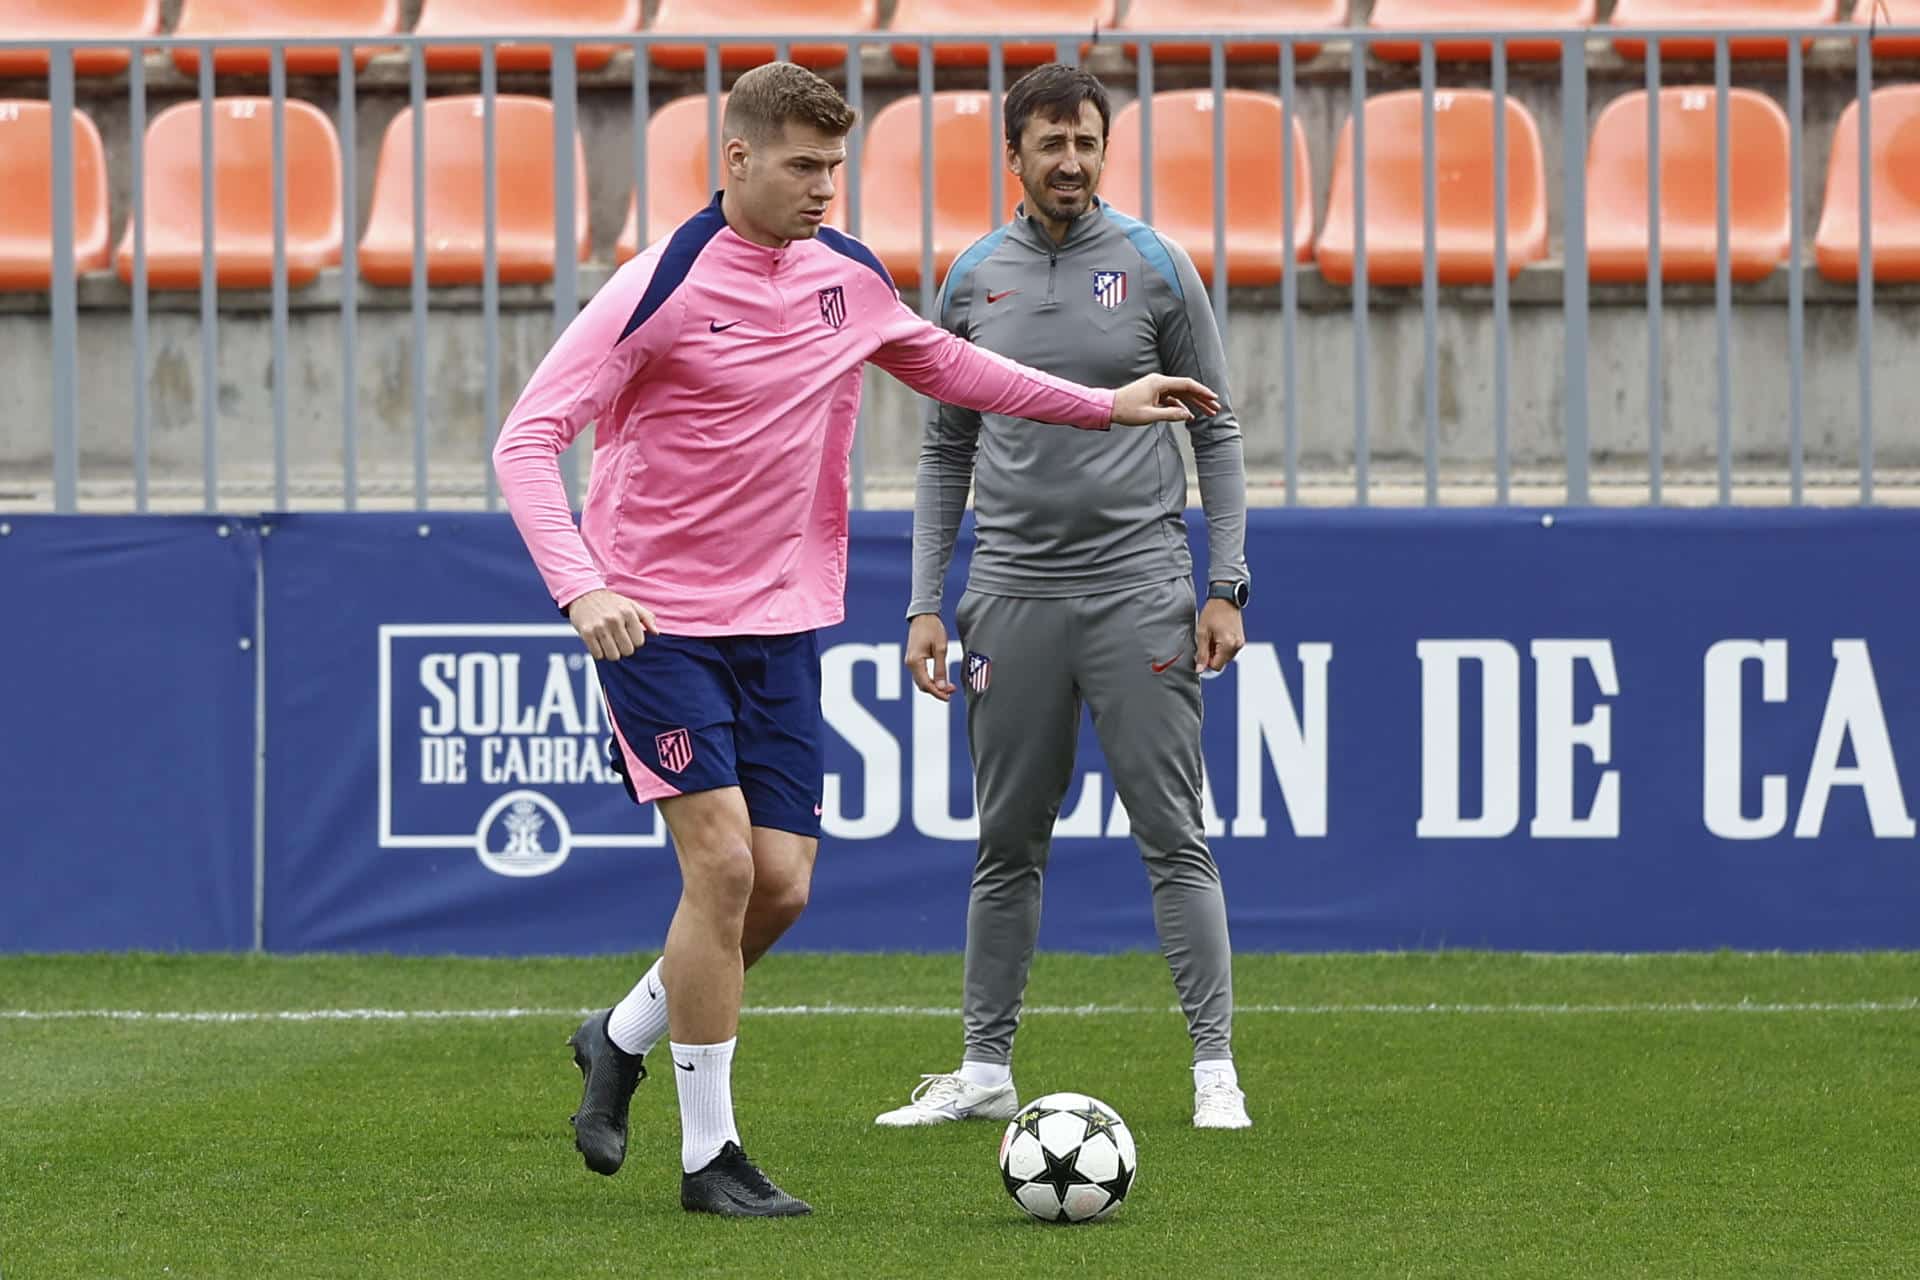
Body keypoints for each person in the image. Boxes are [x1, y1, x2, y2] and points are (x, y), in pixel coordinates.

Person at [491, 61, 1220, 1218]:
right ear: (735, 161)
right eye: (801, 166)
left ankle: (619, 1034)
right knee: (723, 865)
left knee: (776, 889)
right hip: (656, 620)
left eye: (836, 166)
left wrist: (1109, 401)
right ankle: (708, 1156)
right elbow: (526, 442)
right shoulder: (660, 284)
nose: (825, 188)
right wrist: (583, 591)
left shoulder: (849, 276)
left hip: (782, 621)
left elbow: (947, 365)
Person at [876, 63, 1254, 1133]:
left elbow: (1214, 429)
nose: (1072, 161)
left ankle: (1213, 1066)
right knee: (1008, 843)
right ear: (1015, 157)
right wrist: (924, 602)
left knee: (1172, 832)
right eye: (1052, 143)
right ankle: (985, 1064)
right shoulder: (970, 279)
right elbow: (944, 451)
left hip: (1140, 588)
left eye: (1087, 141)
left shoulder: (1154, 264)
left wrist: (1224, 583)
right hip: (1011, 595)